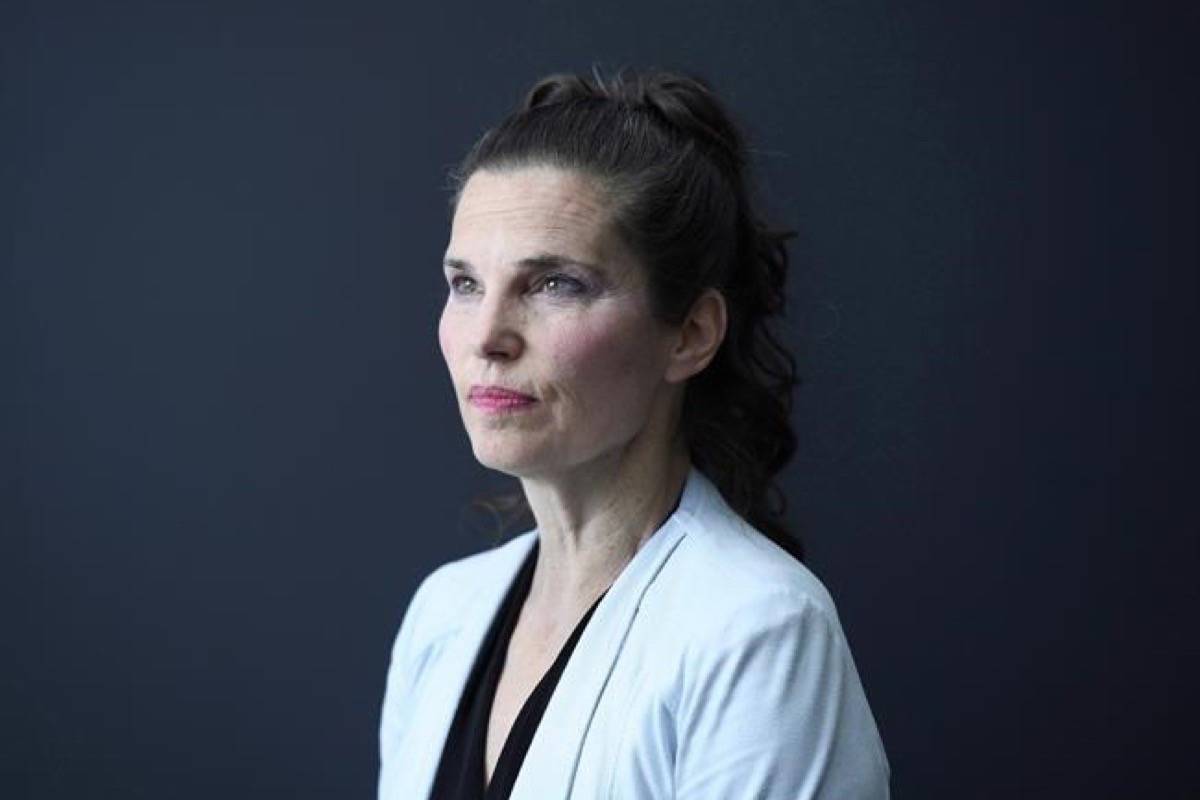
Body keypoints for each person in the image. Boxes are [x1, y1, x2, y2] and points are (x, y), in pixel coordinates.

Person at [378, 67, 890, 800]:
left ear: (690, 333)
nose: (486, 335)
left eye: (554, 283)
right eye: (465, 284)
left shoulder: (758, 633)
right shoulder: (444, 615)